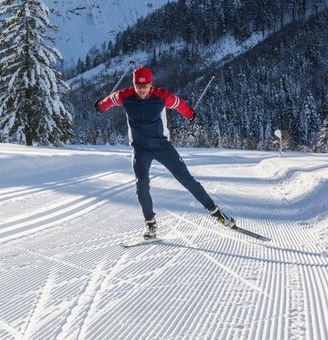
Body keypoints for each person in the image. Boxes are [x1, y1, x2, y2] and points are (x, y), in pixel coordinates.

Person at [93, 65, 235, 239]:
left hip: (162, 147)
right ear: (134, 84)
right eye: (139, 85)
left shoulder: (161, 96)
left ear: (151, 84)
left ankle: (217, 214)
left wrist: (189, 115)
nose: (142, 89)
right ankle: (150, 224)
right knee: (142, 184)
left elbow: (179, 104)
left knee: (186, 179)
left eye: (145, 86)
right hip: (140, 148)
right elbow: (109, 100)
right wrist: (100, 106)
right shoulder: (124, 96)